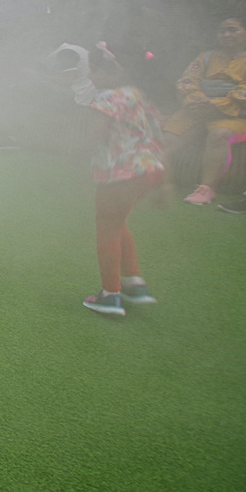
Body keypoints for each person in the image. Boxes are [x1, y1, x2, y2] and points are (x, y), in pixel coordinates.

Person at [59, 44, 166, 316]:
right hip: (150, 170)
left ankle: (110, 295)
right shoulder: (141, 95)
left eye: (94, 71)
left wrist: (71, 155)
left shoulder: (109, 98)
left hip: (121, 173)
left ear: (111, 71)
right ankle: (134, 283)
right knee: (117, 222)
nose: (91, 76)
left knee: (106, 227)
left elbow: (95, 135)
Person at [162, 15, 246, 205]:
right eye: (222, 31)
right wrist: (196, 101)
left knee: (219, 134)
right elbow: (187, 81)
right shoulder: (206, 57)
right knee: (167, 139)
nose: (226, 34)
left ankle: (206, 189)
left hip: (240, 116)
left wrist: (215, 105)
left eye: (233, 29)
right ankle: (159, 180)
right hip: (198, 109)